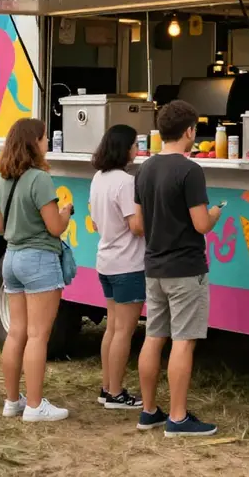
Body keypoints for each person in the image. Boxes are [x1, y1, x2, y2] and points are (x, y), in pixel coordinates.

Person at [135, 100, 223, 437]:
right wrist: (214, 214)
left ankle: (148, 411)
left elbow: (139, 224)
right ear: (189, 131)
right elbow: (201, 225)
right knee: (183, 342)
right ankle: (178, 417)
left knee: (154, 337)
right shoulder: (190, 170)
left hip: (154, 266)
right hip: (186, 268)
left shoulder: (144, 169)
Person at [0, 118, 72, 422]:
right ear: (33, 143)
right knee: (39, 335)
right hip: (39, 260)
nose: (48, 143)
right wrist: (64, 213)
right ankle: (36, 405)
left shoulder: (2, 179)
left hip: (10, 258)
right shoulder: (39, 179)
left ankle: (13, 401)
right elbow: (54, 227)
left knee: (17, 333)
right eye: (44, 138)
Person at [89, 124, 145, 410]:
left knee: (112, 328)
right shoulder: (126, 182)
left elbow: (96, 222)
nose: (137, 149)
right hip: (129, 263)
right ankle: (116, 392)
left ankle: (107, 386)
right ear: (125, 149)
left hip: (106, 260)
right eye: (135, 144)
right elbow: (135, 226)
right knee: (124, 330)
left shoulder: (98, 177)